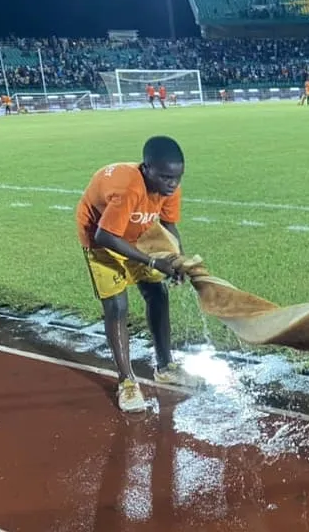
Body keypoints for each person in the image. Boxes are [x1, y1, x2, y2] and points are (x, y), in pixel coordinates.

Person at [75, 136, 202, 413]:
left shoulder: (170, 189)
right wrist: (154, 263)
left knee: (157, 293)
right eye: (166, 177)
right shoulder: (128, 187)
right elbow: (105, 235)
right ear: (146, 169)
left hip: (136, 235)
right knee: (117, 306)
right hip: (101, 240)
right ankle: (127, 382)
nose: (173, 184)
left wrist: (177, 260)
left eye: (178, 177)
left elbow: (168, 225)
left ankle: (165, 366)